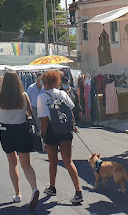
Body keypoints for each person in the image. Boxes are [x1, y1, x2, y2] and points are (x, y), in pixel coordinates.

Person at [0, 72, 40, 210]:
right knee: (26, 164)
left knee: (12, 163)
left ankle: (18, 194)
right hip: (21, 130)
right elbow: (30, 113)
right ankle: (34, 188)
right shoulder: (23, 96)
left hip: (6, 131)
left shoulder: (1, 97)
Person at [37, 70, 83, 204]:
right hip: (65, 130)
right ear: (57, 81)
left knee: (53, 161)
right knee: (68, 161)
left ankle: (52, 187)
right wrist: (72, 125)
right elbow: (71, 112)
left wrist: (44, 135)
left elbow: (44, 120)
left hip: (51, 131)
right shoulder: (63, 93)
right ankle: (78, 191)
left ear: (45, 82)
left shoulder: (42, 97)